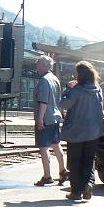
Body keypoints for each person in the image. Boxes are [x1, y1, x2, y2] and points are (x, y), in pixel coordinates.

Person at [60, 61, 104, 201]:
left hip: (76, 131)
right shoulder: (97, 89)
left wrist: (68, 89)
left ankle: (76, 192)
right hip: (93, 131)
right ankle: (88, 185)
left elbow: (64, 104)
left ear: (79, 74)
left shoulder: (76, 90)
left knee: (74, 161)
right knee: (89, 160)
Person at [32, 55, 68, 186]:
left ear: (42, 65)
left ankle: (47, 176)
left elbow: (43, 102)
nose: (36, 66)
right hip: (55, 117)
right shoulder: (55, 79)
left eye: (37, 64)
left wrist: (40, 119)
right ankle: (63, 170)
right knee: (56, 144)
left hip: (46, 118)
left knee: (43, 147)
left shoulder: (44, 80)